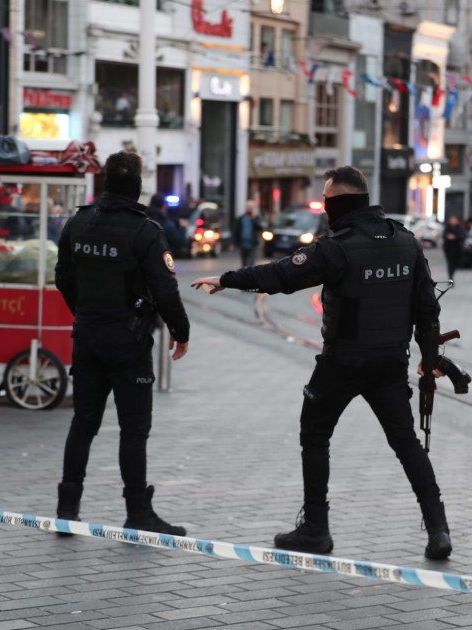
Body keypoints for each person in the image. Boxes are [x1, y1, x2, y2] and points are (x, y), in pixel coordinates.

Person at [191, 165, 453, 560]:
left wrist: (227, 279)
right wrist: (430, 358)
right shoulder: (405, 241)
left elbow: (281, 274)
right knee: (407, 444)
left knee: (314, 434)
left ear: (340, 203)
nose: (325, 208)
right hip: (389, 363)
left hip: (343, 362)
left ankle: (316, 529)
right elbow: (426, 309)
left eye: (328, 200)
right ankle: (439, 530)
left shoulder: (337, 246)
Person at [54, 151, 191, 536]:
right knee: (133, 428)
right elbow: (166, 289)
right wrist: (181, 332)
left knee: (83, 422)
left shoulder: (78, 223)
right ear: (138, 185)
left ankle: (67, 508)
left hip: (87, 336)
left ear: (105, 181)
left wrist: (83, 312)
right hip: (128, 341)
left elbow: (62, 277)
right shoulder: (145, 231)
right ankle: (138, 512)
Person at [233, 200, 264, 267]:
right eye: (248, 207)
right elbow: (236, 231)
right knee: (244, 263)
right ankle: (244, 276)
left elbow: (260, 228)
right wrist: (234, 243)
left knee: (251, 263)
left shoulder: (256, 218)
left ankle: (250, 276)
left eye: (251, 207)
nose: (249, 209)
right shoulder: (241, 218)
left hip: (253, 244)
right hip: (243, 244)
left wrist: (253, 219)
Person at [441, 215, 466, 280]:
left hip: (457, 248)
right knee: (450, 263)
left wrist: (454, 237)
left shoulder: (459, 228)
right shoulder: (447, 228)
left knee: (455, 263)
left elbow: (462, 236)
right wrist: (448, 237)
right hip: (448, 248)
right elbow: (444, 236)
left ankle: (451, 274)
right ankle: (450, 277)